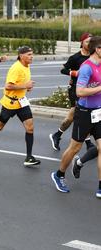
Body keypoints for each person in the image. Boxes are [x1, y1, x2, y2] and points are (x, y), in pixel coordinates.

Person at [51, 36, 101, 197]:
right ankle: (59, 174)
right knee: (75, 148)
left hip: (98, 112)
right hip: (84, 113)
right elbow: (80, 92)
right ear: (97, 49)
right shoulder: (87, 67)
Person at [0, 46, 41, 166]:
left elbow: (22, 83)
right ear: (21, 56)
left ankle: (29, 157)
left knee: (30, 127)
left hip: (22, 102)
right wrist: (25, 85)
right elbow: (8, 86)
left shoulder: (27, 65)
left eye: (32, 54)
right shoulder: (16, 68)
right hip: (10, 103)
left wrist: (27, 87)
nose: (31, 56)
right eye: (29, 54)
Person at [49, 32, 94, 151]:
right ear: (82, 42)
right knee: (75, 115)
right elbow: (63, 69)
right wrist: (73, 73)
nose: (89, 44)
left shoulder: (94, 56)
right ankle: (88, 143)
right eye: (87, 41)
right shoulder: (75, 58)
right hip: (76, 89)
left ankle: (58, 135)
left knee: (81, 115)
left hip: (89, 89)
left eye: (91, 41)